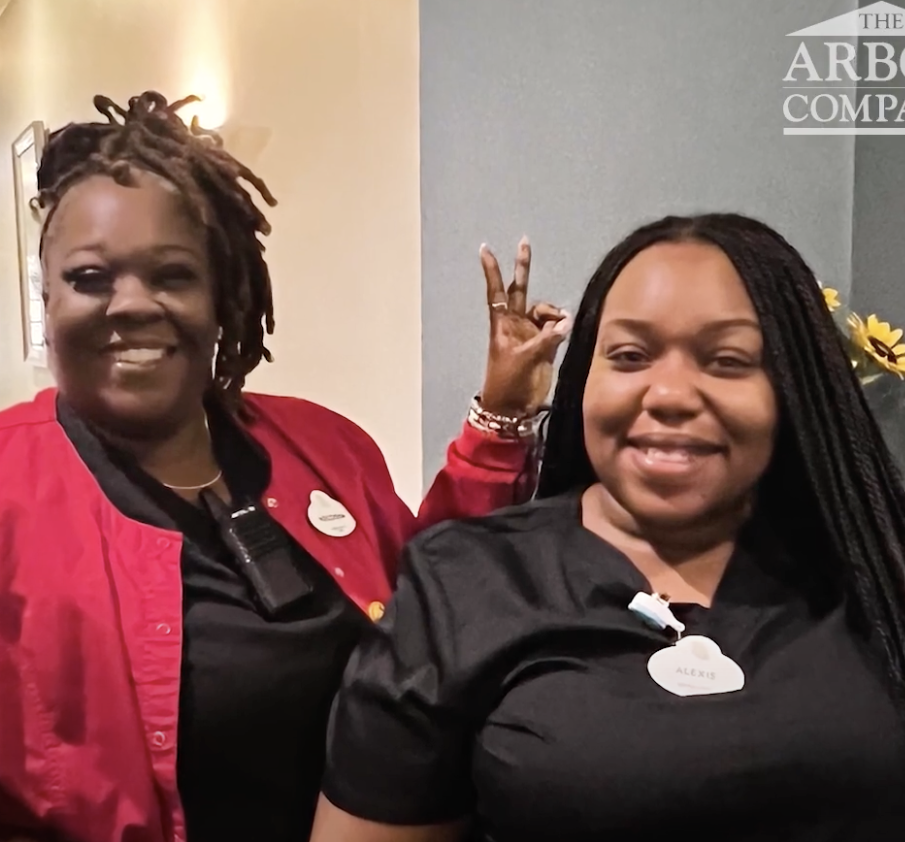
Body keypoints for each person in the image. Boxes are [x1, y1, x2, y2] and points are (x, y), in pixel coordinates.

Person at [0, 92, 571, 842]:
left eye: (172, 275)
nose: (132, 304)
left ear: (222, 296)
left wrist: (498, 425)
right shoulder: (11, 487)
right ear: (45, 296)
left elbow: (433, 600)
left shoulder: (322, 444)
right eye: (89, 277)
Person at [312, 213, 905, 842]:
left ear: (796, 387)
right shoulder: (463, 587)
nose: (667, 395)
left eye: (726, 360)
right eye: (631, 356)